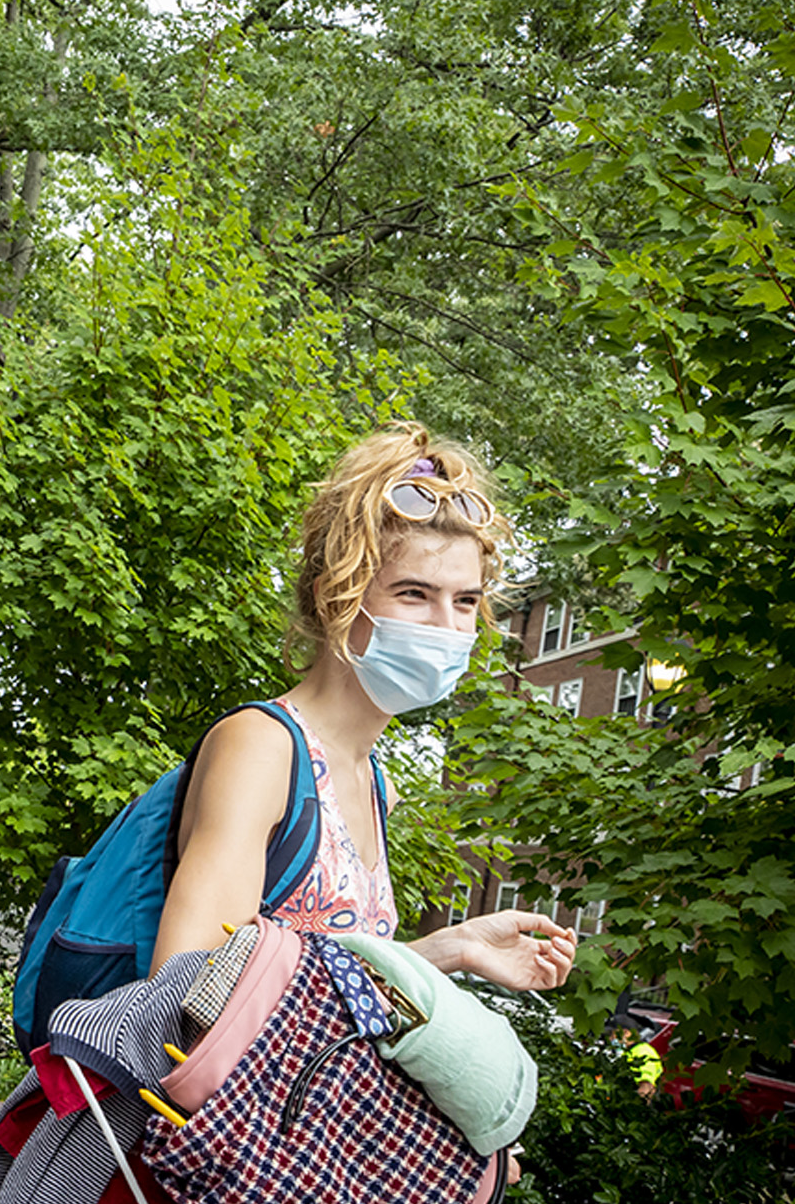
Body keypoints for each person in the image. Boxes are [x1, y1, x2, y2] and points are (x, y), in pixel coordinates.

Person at [148, 421, 575, 1002]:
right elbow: (185, 992)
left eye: (466, 602)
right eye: (414, 594)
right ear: (337, 595)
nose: (448, 627)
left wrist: (449, 950)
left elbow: (323, 971)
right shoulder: (262, 749)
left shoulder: (376, 786)